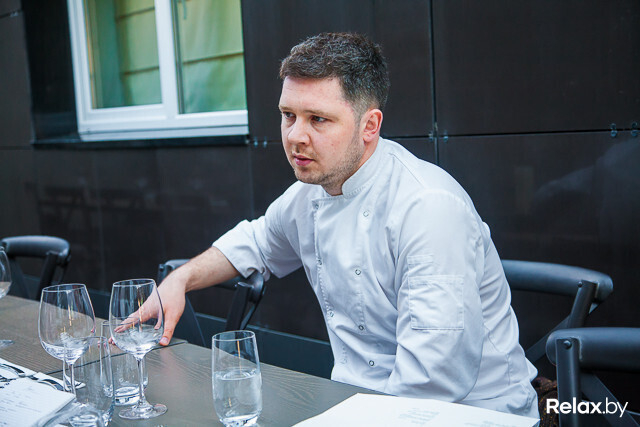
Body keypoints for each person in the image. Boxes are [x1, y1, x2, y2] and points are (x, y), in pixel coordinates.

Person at [157, 32, 539, 418]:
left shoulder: (428, 209)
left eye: (318, 119)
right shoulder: (308, 194)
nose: (295, 136)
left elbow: (433, 381)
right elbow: (256, 243)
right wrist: (180, 280)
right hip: (356, 402)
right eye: (288, 115)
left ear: (369, 125)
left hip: (472, 415)